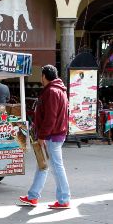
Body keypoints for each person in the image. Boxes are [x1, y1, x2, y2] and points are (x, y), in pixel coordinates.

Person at [18, 65, 71, 209]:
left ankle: (64, 199)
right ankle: (33, 196)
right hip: (54, 134)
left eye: (41, 76)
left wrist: (42, 136)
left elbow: (50, 118)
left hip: (52, 135)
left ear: (44, 76)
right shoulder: (58, 90)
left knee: (56, 166)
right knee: (42, 165)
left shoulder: (52, 92)